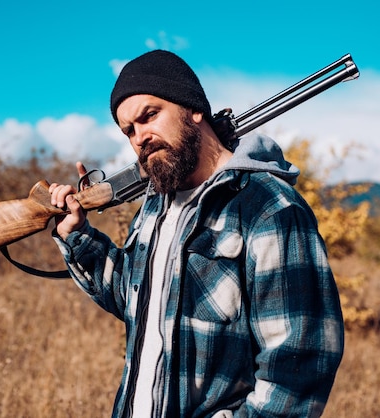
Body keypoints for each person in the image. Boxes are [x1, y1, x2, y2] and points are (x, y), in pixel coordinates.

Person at [48, 50, 344, 417]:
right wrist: (78, 236)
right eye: (129, 130)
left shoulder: (269, 207)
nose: (140, 137)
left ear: (193, 108)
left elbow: (298, 366)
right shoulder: (157, 206)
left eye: (150, 115)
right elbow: (138, 301)